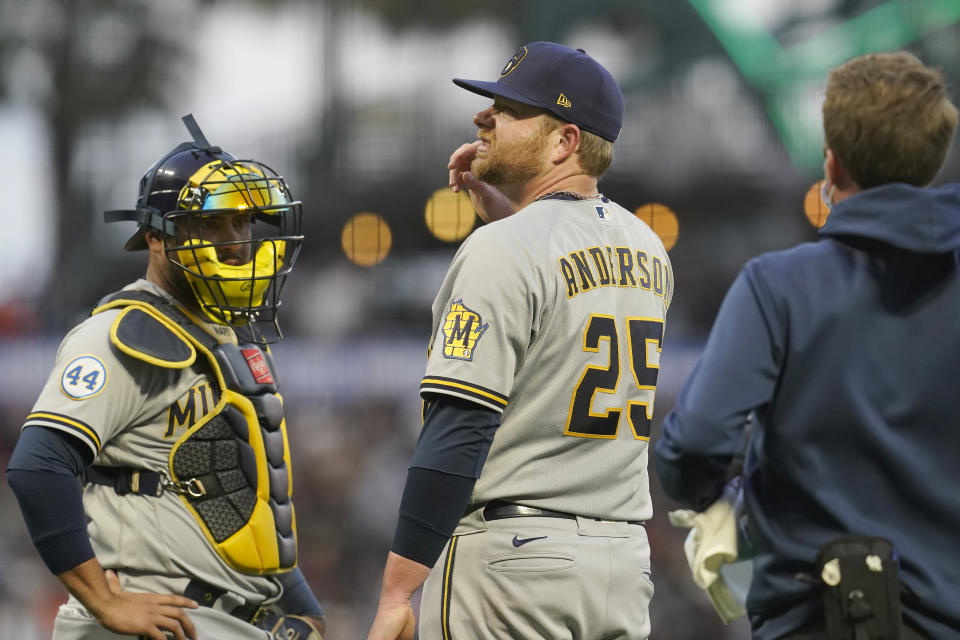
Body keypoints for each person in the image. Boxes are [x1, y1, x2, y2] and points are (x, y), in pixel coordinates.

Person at [367, 42, 673, 640]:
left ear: (564, 141)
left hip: (515, 565)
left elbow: (459, 429)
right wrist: (510, 217)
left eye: (509, 109)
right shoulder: (648, 247)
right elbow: (564, 270)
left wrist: (398, 590)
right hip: (621, 563)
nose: (483, 117)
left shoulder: (502, 250)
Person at [654, 51, 960, 639]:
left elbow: (693, 443)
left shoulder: (778, 286)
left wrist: (725, 499)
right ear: (933, 155)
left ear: (832, 161)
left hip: (820, 618)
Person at [6, 115, 326, 640]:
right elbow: (38, 466)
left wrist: (306, 609)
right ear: (156, 238)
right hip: (162, 621)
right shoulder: (121, 334)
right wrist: (105, 601)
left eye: (244, 223)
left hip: (229, 621)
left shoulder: (228, 339)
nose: (235, 242)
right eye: (212, 225)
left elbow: (246, 491)